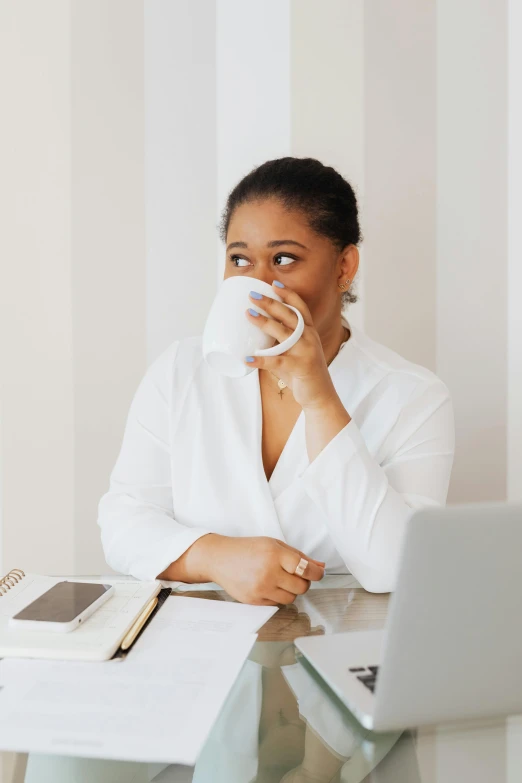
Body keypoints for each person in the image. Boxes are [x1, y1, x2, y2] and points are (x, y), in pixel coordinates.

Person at [97, 156, 455, 602]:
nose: (259, 283)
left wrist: (321, 399)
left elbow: (393, 569)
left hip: (339, 644)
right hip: (198, 641)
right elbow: (123, 521)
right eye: (240, 259)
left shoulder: (413, 395)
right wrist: (214, 556)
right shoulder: (180, 371)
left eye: (283, 259)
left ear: (344, 267)